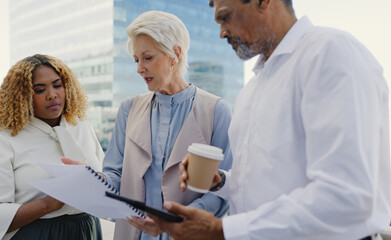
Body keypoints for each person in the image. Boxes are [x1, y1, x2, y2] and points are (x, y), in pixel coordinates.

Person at [148, 0, 391, 239]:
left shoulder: (330, 53)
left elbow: (346, 196)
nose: (221, 33)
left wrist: (221, 230)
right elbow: (268, 184)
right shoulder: (251, 90)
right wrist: (221, 181)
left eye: (225, 17)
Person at [64, 10, 233, 240]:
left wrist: (176, 222)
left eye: (147, 57)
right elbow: (115, 174)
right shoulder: (128, 109)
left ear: (175, 54)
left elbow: (224, 190)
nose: (139, 68)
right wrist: (95, 180)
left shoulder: (217, 111)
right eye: (136, 60)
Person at [0, 54, 104, 240]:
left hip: (86, 230)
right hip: (35, 233)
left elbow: (106, 179)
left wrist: (98, 179)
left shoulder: (82, 126)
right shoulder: (1, 139)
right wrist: (48, 203)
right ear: (22, 97)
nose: (52, 95)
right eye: (40, 90)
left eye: (57, 85)